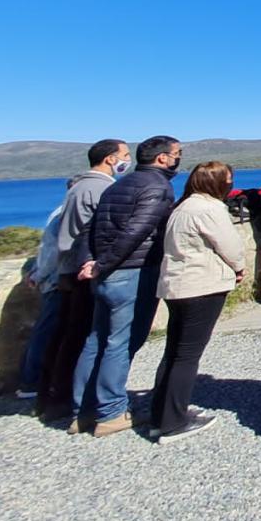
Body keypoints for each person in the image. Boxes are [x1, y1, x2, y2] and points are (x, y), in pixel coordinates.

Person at [70, 135, 180, 437]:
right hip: (133, 272)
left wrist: (90, 263)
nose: (178, 160)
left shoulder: (119, 185)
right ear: (162, 159)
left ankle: (82, 410)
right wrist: (104, 264)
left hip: (105, 274)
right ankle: (111, 412)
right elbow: (137, 231)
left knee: (96, 340)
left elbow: (89, 229)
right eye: (176, 154)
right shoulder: (157, 187)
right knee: (122, 342)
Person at [150, 161, 246, 444]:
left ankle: (162, 414)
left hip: (177, 285)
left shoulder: (183, 206)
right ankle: (173, 422)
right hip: (201, 285)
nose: (230, 184)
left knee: (173, 352)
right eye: (227, 180)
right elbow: (230, 246)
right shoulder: (210, 209)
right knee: (188, 355)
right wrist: (239, 267)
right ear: (215, 183)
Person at [37, 139, 128, 420]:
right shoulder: (100, 188)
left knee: (70, 334)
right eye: (125, 155)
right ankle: (73, 399)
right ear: (111, 159)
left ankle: (56, 395)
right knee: (84, 336)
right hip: (85, 269)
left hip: (72, 268)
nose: (128, 159)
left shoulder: (78, 187)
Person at [16, 203, 64, 402]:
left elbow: (45, 247)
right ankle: (31, 380)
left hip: (52, 278)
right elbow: (53, 250)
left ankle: (34, 378)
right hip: (56, 280)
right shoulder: (63, 214)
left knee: (47, 331)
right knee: (46, 331)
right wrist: (39, 274)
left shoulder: (59, 211)